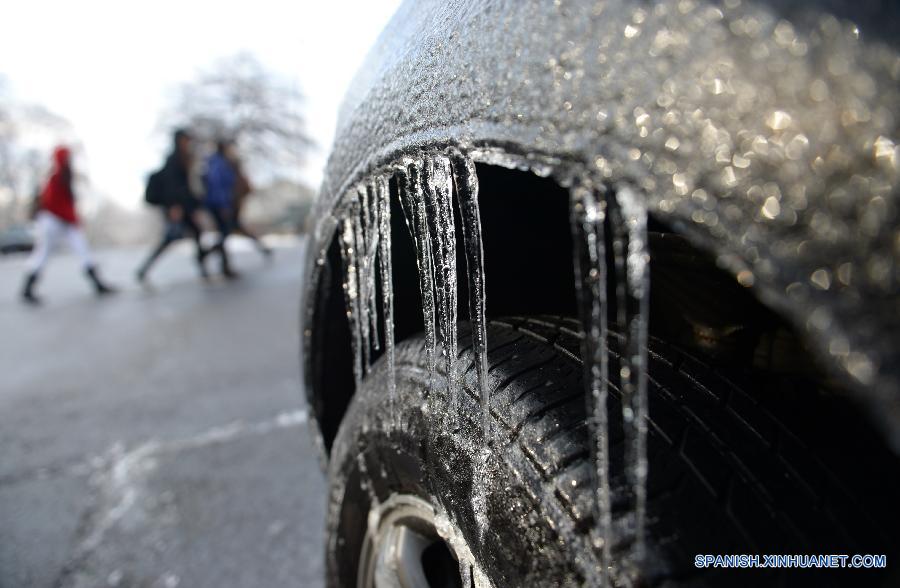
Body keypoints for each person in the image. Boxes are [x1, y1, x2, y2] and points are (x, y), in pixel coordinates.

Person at [20, 146, 116, 304]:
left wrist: (72, 218)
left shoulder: (64, 177)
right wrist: (71, 218)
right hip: (53, 221)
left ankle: (98, 284)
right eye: (68, 158)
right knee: (43, 252)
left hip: (64, 222)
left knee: (82, 249)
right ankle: (27, 288)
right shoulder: (56, 178)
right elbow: (52, 203)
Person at [136, 129, 208, 282]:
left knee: (197, 233)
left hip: (184, 206)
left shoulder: (184, 158)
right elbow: (173, 185)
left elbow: (187, 187)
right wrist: (174, 206)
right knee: (170, 239)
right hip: (177, 207)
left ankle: (203, 268)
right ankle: (144, 269)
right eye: (185, 140)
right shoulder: (174, 159)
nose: (188, 143)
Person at [202, 140, 238, 278]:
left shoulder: (219, 162)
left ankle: (224, 266)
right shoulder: (218, 163)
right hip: (218, 204)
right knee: (225, 232)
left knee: (225, 233)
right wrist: (223, 205)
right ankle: (207, 254)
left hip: (218, 203)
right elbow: (217, 186)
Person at [230, 156, 272, 259]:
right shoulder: (226, 170)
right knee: (227, 233)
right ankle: (205, 254)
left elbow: (247, 188)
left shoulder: (233, 171)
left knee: (229, 232)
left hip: (232, 208)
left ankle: (205, 254)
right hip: (229, 208)